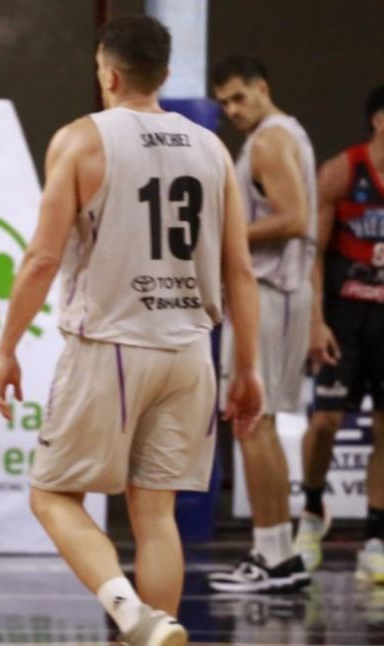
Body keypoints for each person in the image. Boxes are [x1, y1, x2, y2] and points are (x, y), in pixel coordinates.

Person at [0, 15, 262, 646]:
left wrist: (6, 348)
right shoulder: (212, 148)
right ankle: (151, 627)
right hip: (190, 351)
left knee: (51, 495)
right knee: (156, 514)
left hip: (112, 344)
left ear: (107, 74)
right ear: (163, 75)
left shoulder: (82, 140)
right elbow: (241, 272)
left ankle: (130, 610)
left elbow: (41, 258)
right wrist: (247, 368)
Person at [208, 56, 317, 593]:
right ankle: (278, 552)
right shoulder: (288, 133)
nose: (232, 110)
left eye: (238, 97)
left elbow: (294, 218)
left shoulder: (270, 141)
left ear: (262, 89)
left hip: (269, 294)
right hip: (286, 294)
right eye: (224, 103)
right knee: (261, 423)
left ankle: (272, 556)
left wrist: (222, 235)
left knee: (251, 422)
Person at [294, 84, 384, 583]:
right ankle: (311, 512)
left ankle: (376, 537)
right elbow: (312, 253)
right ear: (379, 120)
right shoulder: (343, 171)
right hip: (343, 317)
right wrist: (315, 320)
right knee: (326, 421)